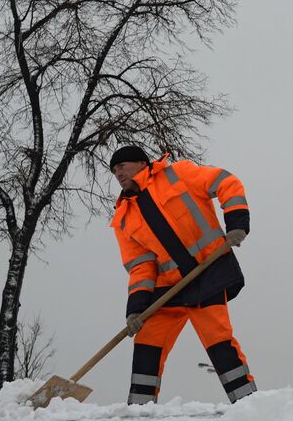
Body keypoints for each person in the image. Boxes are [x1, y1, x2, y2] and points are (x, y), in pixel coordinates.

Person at [109, 145, 255, 404]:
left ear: (142, 164)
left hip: (207, 274)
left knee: (218, 341)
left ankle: (249, 405)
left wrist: (237, 223)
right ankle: (139, 411)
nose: (117, 173)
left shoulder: (178, 174)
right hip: (168, 289)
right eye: (114, 170)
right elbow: (141, 267)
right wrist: (136, 308)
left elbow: (227, 182)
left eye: (122, 166)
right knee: (147, 345)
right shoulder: (123, 218)